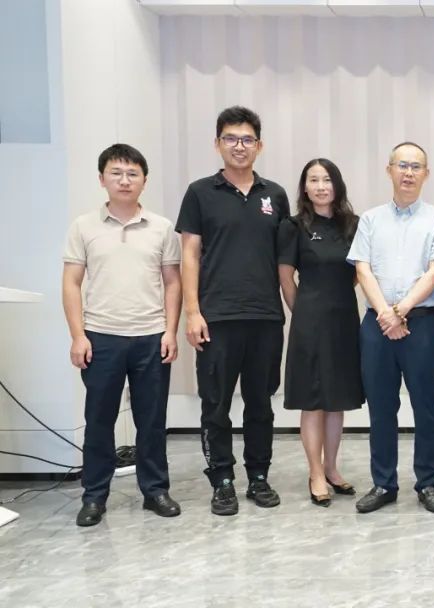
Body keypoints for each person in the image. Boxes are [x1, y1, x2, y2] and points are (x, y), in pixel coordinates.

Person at [176, 106, 289, 516]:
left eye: (247, 139)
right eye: (230, 139)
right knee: (215, 405)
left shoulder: (275, 195)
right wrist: (192, 312)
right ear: (217, 144)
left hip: (265, 317)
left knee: (261, 403)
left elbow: (284, 261)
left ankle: (258, 475)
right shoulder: (200, 192)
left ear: (259, 145)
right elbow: (189, 255)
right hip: (216, 318)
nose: (239, 146)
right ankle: (222, 480)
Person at [62, 144, 182, 527]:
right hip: (101, 337)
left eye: (133, 174)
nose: (125, 180)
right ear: (102, 179)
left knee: (152, 420)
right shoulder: (83, 226)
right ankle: (94, 496)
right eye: (116, 173)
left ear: (145, 180)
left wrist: (170, 331)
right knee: (99, 420)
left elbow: (173, 282)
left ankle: (155, 490)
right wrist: (78, 336)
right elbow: (71, 283)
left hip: (151, 337)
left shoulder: (162, 227)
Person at [348, 142, 434, 514]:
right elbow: (363, 269)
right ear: (389, 170)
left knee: (427, 405)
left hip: (422, 325)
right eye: (402, 165)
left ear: (427, 174)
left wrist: (401, 310)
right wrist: (385, 314)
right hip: (377, 326)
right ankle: (383, 483)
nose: (408, 172)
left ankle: (428, 483)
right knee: (381, 407)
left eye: (416, 166)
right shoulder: (370, 220)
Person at [278, 158, 365, 508]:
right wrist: (303, 312)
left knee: (336, 399)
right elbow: (286, 277)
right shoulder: (293, 226)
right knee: (313, 399)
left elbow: (358, 273)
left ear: (337, 185)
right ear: (305, 187)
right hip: (310, 323)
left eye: (327, 180)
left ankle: (332, 467)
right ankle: (315, 472)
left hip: (344, 320)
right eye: (313, 180)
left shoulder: (353, 225)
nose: (320, 186)